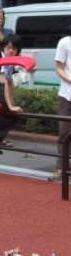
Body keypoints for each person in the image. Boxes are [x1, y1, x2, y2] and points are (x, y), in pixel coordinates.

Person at [48, 29, 71, 183]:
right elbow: (59, 68)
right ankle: (61, 168)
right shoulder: (65, 42)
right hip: (67, 94)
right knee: (65, 133)